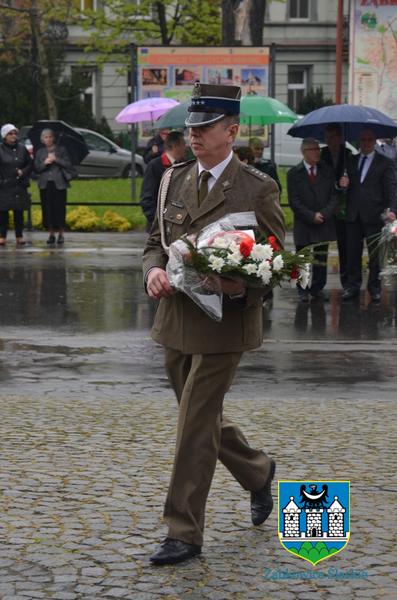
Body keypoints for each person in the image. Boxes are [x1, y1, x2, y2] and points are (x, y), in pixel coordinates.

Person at [143, 82, 285, 566]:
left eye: (205, 127)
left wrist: (242, 288)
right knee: (199, 419)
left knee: (192, 426)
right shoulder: (173, 180)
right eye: (192, 127)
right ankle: (258, 471)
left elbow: (276, 262)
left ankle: (183, 530)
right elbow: (154, 243)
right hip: (176, 318)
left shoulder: (258, 187)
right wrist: (154, 271)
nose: (195, 135)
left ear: (232, 130)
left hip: (226, 325)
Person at [339, 129, 397, 302]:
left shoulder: (385, 162)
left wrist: (393, 209)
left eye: (368, 139)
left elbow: (392, 188)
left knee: (375, 256)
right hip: (353, 215)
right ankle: (352, 287)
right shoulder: (350, 161)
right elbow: (344, 187)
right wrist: (342, 185)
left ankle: (374, 288)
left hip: (375, 215)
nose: (365, 142)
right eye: (362, 139)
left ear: (374, 141)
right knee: (352, 254)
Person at [287, 138, 338, 302]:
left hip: (324, 221)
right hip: (304, 223)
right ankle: (302, 289)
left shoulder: (327, 171)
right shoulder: (294, 173)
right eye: (313, 149)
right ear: (303, 152)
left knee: (321, 257)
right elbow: (294, 201)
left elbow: (333, 196)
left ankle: (317, 288)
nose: (317, 152)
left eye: (318, 149)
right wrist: (311, 215)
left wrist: (324, 214)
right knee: (302, 257)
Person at [320, 124, 352, 289]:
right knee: (321, 246)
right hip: (325, 205)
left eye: (332, 137)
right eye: (327, 137)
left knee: (344, 245)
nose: (329, 140)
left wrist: (346, 183)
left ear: (339, 138)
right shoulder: (322, 154)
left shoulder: (348, 155)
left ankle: (346, 282)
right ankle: (318, 283)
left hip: (341, 208)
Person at [34, 129, 75, 245]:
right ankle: (51, 234)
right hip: (45, 184)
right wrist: (45, 163)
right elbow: (37, 168)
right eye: (45, 137)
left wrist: (56, 159)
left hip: (59, 184)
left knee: (59, 208)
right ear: (42, 139)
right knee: (48, 209)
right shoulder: (40, 152)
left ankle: (61, 234)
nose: (48, 139)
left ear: (53, 138)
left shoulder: (61, 150)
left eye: (50, 137)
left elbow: (68, 164)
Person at [140, 131, 187, 231]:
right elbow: (147, 198)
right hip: (159, 226)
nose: (186, 148)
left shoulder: (184, 165)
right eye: (183, 144)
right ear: (175, 146)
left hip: (178, 225)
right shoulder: (155, 166)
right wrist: (157, 222)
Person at [0, 123, 33, 246]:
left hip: (19, 185)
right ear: (4, 136)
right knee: (3, 212)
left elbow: (30, 164)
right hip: (4, 185)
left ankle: (19, 236)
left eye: (15, 133)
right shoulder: (0, 149)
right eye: (10, 133)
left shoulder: (22, 148)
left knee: (18, 212)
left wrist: (23, 171)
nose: (14, 136)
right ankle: (2, 236)